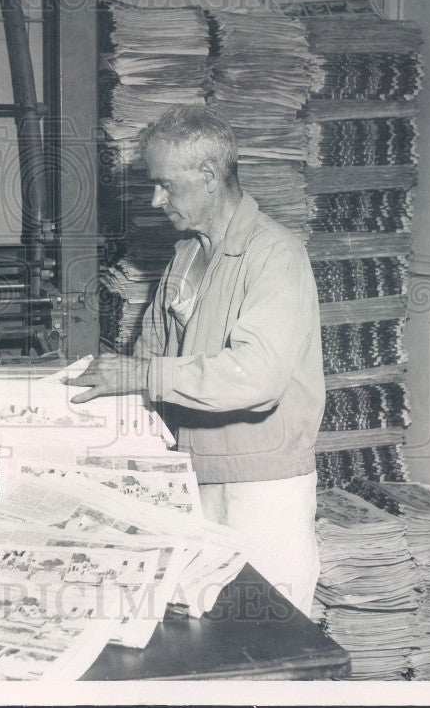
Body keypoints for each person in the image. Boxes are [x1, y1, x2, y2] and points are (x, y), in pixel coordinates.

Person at [65, 104, 325, 616]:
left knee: (270, 634)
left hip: (262, 485)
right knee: (201, 630)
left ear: (208, 176)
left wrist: (144, 376)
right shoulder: (186, 253)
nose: (157, 200)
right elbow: (153, 347)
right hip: (192, 471)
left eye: (165, 184)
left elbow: (258, 376)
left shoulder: (275, 255)